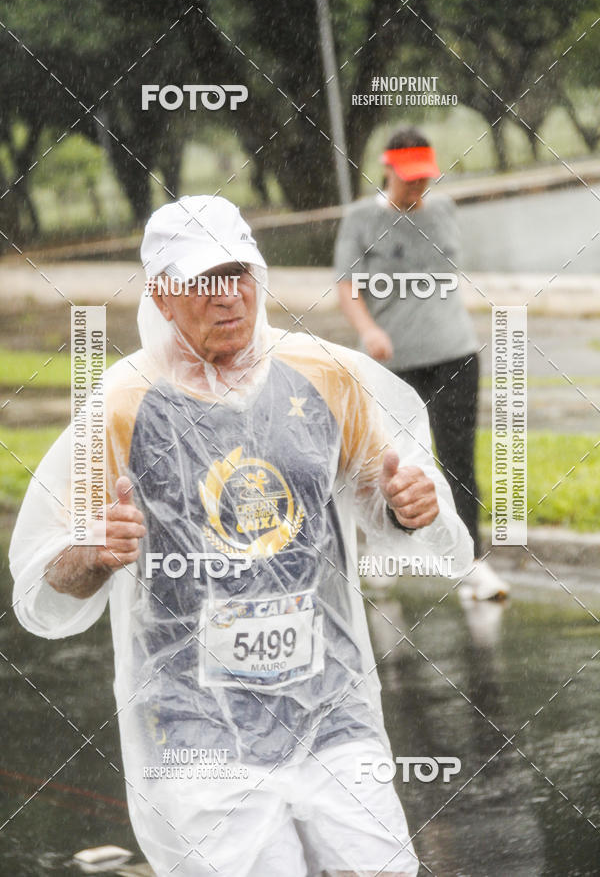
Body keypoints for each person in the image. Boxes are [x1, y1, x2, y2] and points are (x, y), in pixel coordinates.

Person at [10, 195, 474, 877]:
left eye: (239, 275)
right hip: (195, 725)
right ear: (163, 297)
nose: (227, 298)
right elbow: (47, 576)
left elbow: (389, 500)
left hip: (331, 710)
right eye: (202, 282)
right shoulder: (122, 405)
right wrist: (96, 553)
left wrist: (410, 504)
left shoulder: (325, 376)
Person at [335, 126, 509, 602]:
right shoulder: (360, 221)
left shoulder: (446, 210)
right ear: (388, 169)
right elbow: (347, 287)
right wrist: (369, 329)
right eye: (409, 178)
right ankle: (384, 549)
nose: (418, 187)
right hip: (392, 365)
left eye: (424, 178)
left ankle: (471, 564)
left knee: (458, 460)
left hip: (454, 352)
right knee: (386, 463)